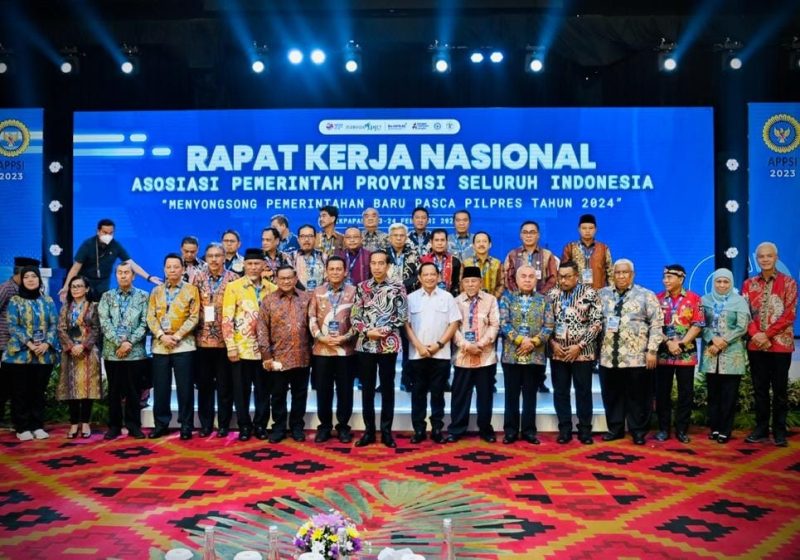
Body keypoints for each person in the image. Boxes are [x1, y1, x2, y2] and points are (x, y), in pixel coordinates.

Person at [597, 259, 663, 445]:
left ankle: (638, 430)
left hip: (637, 357)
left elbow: (657, 324)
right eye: (617, 273)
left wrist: (652, 350)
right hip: (609, 357)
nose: (621, 276)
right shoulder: (602, 295)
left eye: (625, 272)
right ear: (613, 274)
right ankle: (615, 429)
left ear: (632, 274)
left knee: (638, 397)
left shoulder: (646, 295)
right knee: (612, 395)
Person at [742, 242, 797, 447]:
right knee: (760, 389)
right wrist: (757, 335)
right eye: (761, 257)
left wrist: (767, 335)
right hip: (756, 346)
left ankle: (780, 431)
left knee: (780, 390)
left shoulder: (789, 283)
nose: (765, 259)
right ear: (757, 259)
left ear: (777, 257)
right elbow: (744, 313)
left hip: (780, 346)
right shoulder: (749, 284)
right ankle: (761, 429)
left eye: (769, 256)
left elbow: (789, 315)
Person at [351, 250, 408, 448]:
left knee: (387, 389)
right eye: (373, 263)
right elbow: (354, 316)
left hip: (387, 344)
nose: (377, 267)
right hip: (365, 345)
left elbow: (401, 317)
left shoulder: (397, 287)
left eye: (381, 263)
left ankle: (386, 432)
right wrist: (367, 332)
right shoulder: (361, 287)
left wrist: (382, 331)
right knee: (366, 389)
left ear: (388, 265)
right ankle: (368, 431)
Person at [222, 248, 277, 441]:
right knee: (241, 391)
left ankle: (261, 425)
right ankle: (244, 426)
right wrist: (231, 346)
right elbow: (227, 318)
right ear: (244, 265)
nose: (253, 267)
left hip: (265, 351)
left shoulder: (272, 288)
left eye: (257, 264)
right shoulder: (234, 287)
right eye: (250, 264)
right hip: (241, 349)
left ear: (264, 266)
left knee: (263, 392)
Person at [548, 260, 603, 445]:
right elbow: (545, 323)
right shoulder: (552, 294)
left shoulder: (590, 293)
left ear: (576, 276)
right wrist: (552, 343)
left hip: (582, 352)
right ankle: (564, 429)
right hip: (559, 352)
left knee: (583, 392)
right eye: (560, 276)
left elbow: (596, 323)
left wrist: (579, 346)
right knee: (561, 392)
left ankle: (585, 430)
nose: (563, 280)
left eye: (568, 277)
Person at [146, 253, 200, 440]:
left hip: (183, 345)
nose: (172, 270)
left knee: (185, 388)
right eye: (168, 267)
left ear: (183, 269)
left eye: (176, 267)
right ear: (164, 269)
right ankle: (161, 424)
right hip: (161, 346)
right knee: (161, 388)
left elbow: (194, 317)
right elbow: (150, 317)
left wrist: (176, 336)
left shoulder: (191, 290)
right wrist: (162, 335)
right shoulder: (156, 291)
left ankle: (186, 425)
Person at [405, 262, 461, 444]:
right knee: (418, 393)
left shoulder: (447, 297)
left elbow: (454, 323)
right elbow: (406, 325)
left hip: (441, 355)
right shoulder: (410, 298)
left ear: (438, 277)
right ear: (419, 278)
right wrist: (419, 346)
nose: (429, 277)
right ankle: (419, 430)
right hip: (417, 354)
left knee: (438, 394)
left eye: (432, 274)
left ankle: (437, 428)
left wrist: (439, 344)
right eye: (425, 274)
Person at [498, 265, 554, 445]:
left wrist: (534, 342)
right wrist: (520, 340)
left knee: (530, 395)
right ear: (516, 279)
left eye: (531, 276)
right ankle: (511, 431)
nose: (528, 279)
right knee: (511, 395)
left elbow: (549, 326)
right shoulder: (507, 299)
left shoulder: (545, 300)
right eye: (524, 276)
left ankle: (529, 431)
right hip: (511, 355)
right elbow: (503, 323)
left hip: (535, 356)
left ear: (537, 280)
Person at [2, 266, 58, 441]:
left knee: (38, 391)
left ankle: (37, 425)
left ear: (39, 280)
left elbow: (54, 325)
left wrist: (47, 343)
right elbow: (13, 326)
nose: (31, 279)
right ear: (22, 280)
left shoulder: (47, 301)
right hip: (19, 355)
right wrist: (30, 343)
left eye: (34, 276)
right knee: (20, 392)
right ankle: (22, 427)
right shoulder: (15, 301)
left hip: (43, 355)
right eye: (27, 277)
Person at [257, 265, 312, 443]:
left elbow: (313, 325)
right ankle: (279, 428)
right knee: (278, 395)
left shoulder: (306, 299)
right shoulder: (268, 300)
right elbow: (262, 330)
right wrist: (266, 357)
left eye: (290, 278)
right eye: (282, 278)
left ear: (296, 279)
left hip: (302, 357)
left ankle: (297, 427)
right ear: (276, 280)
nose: (286, 281)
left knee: (299, 395)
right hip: (278, 359)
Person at [98, 262, 149, 440]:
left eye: (126, 273)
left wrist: (129, 343)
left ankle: (133, 425)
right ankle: (114, 426)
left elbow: (145, 323)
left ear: (133, 276)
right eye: (119, 273)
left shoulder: (143, 296)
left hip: (135, 354)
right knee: (114, 391)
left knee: (134, 392)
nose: (123, 276)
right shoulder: (107, 297)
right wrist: (120, 343)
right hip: (113, 353)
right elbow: (104, 323)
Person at [449, 266, 500, 443]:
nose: (470, 284)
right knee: (460, 395)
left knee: (485, 395)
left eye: (474, 281)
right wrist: (465, 345)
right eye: (467, 281)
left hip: (485, 356)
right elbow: (452, 327)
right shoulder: (455, 301)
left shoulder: (491, 300)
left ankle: (485, 429)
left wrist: (480, 344)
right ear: (462, 283)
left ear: (480, 282)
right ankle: (456, 429)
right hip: (463, 356)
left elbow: (495, 325)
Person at [309, 257, 357, 443]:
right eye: (332, 269)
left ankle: (343, 427)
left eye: (339, 269)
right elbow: (311, 318)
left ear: (345, 271)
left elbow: (358, 319)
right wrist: (321, 337)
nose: (335, 272)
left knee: (345, 390)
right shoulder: (318, 291)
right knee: (323, 390)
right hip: (322, 350)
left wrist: (344, 337)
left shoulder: (354, 291)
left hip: (345, 351)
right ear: (326, 271)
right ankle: (325, 427)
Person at [193, 242, 238, 437]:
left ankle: (224, 424)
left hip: (225, 342)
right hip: (202, 341)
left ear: (224, 257)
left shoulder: (234, 279)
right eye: (210, 255)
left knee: (225, 386)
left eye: (217, 255)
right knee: (204, 385)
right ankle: (205, 424)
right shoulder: (198, 279)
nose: (213, 259)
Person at [654, 264, 704, 443]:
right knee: (662, 393)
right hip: (663, 353)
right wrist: (668, 342)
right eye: (664, 277)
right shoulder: (657, 298)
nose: (665, 280)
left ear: (681, 278)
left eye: (670, 277)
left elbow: (698, 324)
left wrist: (681, 344)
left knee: (685, 393)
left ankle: (682, 430)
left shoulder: (694, 298)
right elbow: (653, 325)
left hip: (686, 353)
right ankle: (663, 429)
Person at [700, 268, 751, 444]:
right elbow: (701, 324)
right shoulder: (704, 300)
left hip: (731, 354)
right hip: (710, 353)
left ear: (731, 283)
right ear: (713, 282)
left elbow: (742, 327)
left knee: (729, 395)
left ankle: (725, 430)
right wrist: (712, 339)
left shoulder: (739, 302)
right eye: (718, 281)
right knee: (713, 394)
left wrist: (722, 342)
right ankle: (714, 427)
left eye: (726, 282)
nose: (722, 285)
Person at [61, 218, 161, 302]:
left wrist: (149, 277)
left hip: (103, 284)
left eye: (111, 233)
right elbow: (75, 268)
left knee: (101, 310)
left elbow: (131, 263)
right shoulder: (88, 245)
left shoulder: (115, 245)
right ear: (98, 231)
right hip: (86, 282)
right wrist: (66, 287)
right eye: (105, 232)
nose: (108, 235)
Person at [56, 276, 102, 439]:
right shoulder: (65, 307)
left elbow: (97, 329)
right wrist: (71, 347)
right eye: (73, 286)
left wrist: (83, 346)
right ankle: (74, 423)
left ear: (87, 289)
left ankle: (85, 423)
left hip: (88, 352)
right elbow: (61, 329)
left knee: (87, 388)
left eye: (79, 286)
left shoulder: (93, 307)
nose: (75, 289)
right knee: (72, 389)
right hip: (70, 353)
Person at [0, 256, 39, 427]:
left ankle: (14, 419)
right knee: (3, 384)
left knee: (14, 386)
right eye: (27, 274)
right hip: (5, 343)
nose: (31, 278)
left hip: (23, 346)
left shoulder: (31, 292)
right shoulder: (7, 288)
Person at [503, 220, 558, 295]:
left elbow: (552, 279)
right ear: (521, 235)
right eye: (525, 232)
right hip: (517, 300)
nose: (528, 236)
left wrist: (540, 296)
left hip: (542, 299)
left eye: (532, 232)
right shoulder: (512, 254)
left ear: (538, 235)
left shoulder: (547, 254)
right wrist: (517, 295)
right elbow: (509, 278)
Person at [560, 214, 613, 290]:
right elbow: (564, 273)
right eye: (584, 228)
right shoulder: (570, 247)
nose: (587, 231)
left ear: (595, 229)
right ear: (579, 229)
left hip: (599, 293)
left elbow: (610, 273)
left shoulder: (603, 248)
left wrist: (613, 293)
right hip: (576, 293)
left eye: (591, 228)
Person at [462, 231, 505, 299]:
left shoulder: (497, 263)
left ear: (490, 245)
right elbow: (462, 285)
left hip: (491, 303)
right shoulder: (466, 263)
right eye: (478, 241)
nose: (481, 244)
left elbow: (501, 284)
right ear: (473, 245)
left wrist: (492, 299)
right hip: (471, 303)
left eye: (484, 241)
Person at [421, 229, 462, 297]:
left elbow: (456, 285)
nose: (440, 243)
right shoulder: (423, 260)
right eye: (436, 240)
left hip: (449, 299)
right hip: (427, 299)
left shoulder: (455, 261)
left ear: (446, 242)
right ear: (431, 242)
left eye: (442, 240)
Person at [290, 224, 327, 291]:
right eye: (303, 236)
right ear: (298, 239)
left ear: (315, 238)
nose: (306, 239)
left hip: (320, 296)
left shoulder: (324, 257)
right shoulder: (290, 258)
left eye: (310, 236)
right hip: (298, 297)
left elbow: (328, 280)